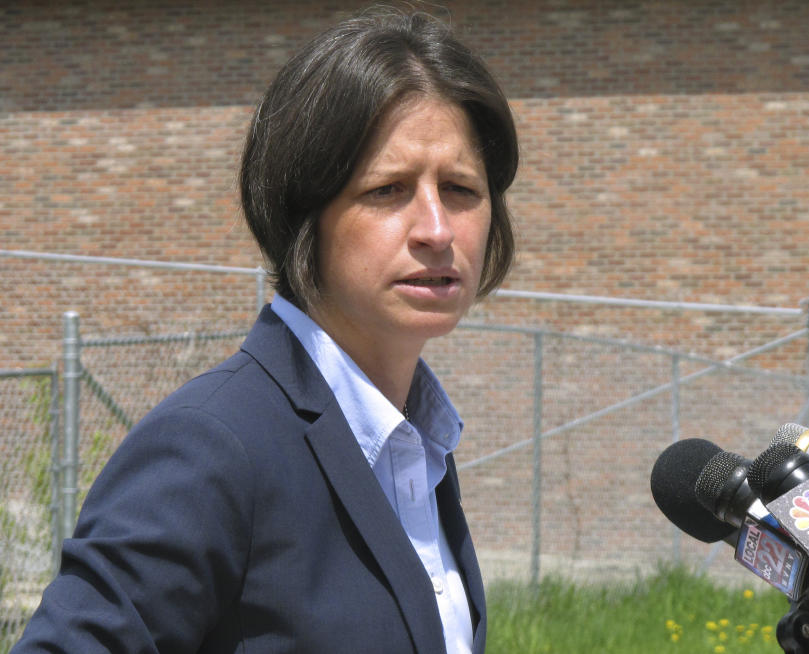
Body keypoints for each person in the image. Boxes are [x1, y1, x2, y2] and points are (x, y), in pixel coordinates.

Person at [12, 8, 518, 653]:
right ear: (304, 211)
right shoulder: (211, 447)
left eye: (461, 188)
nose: (437, 229)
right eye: (388, 190)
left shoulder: (415, 444)